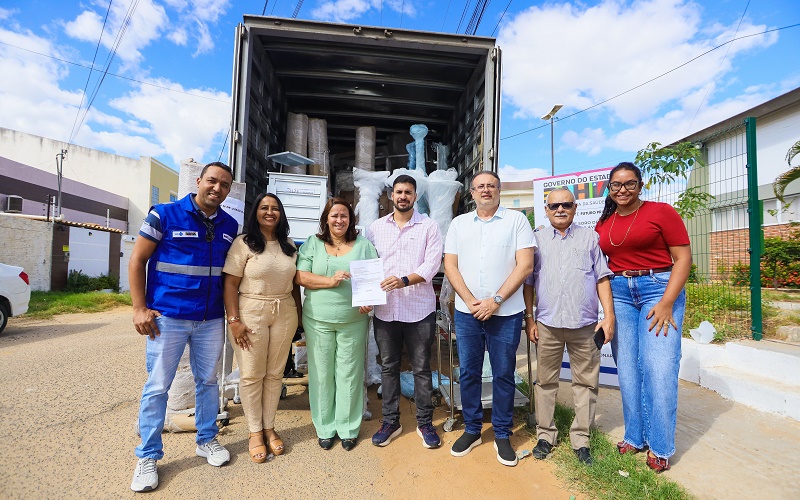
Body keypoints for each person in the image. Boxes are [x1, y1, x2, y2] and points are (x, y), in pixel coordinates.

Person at [129, 162, 238, 492]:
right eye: (212, 181)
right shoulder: (163, 215)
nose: (216, 188)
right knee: (158, 386)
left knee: (207, 382)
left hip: (210, 320)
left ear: (228, 191)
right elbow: (137, 260)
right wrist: (138, 308)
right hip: (168, 318)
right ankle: (148, 455)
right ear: (199, 181)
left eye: (224, 185)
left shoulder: (230, 225)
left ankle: (206, 439)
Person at [594, 162, 691, 473]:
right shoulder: (604, 222)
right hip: (620, 292)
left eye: (630, 183)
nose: (623, 189)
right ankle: (635, 437)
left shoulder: (661, 212)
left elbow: (683, 258)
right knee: (629, 370)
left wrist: (667, 302)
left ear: (640, 185)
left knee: (659, 368)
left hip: (658, 289)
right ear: (609, 188)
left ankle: (660, 446)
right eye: (617, 185)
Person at [443, 171, 535, 467]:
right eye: (480, 186)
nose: (485, 190)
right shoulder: (459, 224)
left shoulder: (516, 221)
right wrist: (471, 301)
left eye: (491, 186)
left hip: (505, 313)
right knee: (469, 372)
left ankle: (503, 433)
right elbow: (450, 265)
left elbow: (525, 265)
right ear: (472, 192)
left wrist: (495, 301)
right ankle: (471, 429)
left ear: (499, 190)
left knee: (504, 373)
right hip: (468, 312)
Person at [522, 188, 614, 466]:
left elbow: (602, 278)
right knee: (545, 381)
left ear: (574, 208)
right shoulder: (535, 240)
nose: (560, 210)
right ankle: (545, 435)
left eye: (566, 205)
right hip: (547, 324)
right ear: (546, 209)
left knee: (585, 382)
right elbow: (528, 284)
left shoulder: (590, 238)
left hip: (584, 325)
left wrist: (608, 317)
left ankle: (581, 439)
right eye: (554, 206)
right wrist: (529, 318)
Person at [222, 193, 303, 463]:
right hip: (251, 312)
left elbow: (295, 287)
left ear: (281, 214)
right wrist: (234, 320)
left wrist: (299, 318)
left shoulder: (289, 245)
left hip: (284, 313)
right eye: (264, 208)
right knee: (252, 375)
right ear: (255, 212)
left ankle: (270, 427)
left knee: (274, 374)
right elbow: (230, 285)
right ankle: (254, 432)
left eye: (275, 209)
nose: (270, 212)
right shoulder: (243, 244)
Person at [365, 175, 444, 449]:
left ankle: (425, 423)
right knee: (389, 368)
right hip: (385, 310)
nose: (402, 196)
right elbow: (366, 263)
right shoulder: (374, 228)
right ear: (391, 195)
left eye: (408, 192)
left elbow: (432, 264)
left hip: (419, 310)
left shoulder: (429, 227)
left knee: (422, 368)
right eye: (398, 192)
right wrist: (365, 294)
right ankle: (390, 421)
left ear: (415, 196)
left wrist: (404, 280)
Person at [295, 198, 379, 451]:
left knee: (350, 374)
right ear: (326, 219)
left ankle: (348, 427)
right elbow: (300, 276)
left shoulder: (363, 245)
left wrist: (370, 301)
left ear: (351, 220)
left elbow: (373, 279)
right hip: (318, 319)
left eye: (344, 215)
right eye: (334, 216)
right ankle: (325, 427)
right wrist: (330, 281)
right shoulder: (313, 244)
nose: (339, 220)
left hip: (353, 320)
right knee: (321, 373)